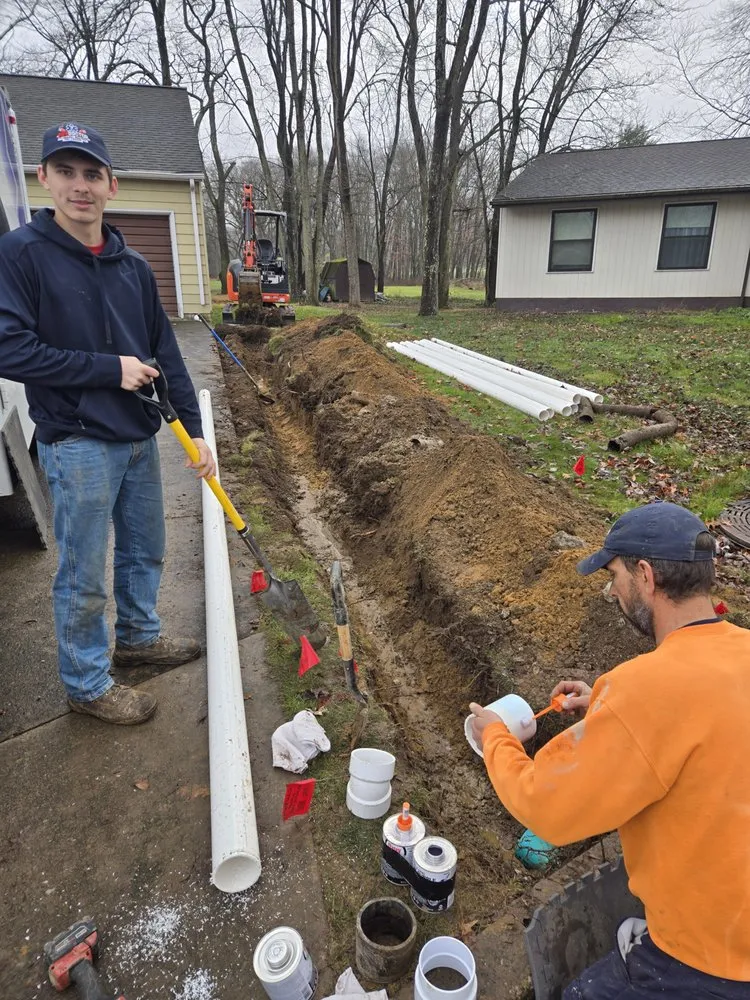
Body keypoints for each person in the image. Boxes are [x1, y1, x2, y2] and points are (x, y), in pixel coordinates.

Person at [470, 502, 750, 998]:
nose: (613, 590)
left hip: (712, 958)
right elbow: (695, 711)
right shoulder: (739, 650)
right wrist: (604, 702)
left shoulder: (645, 692)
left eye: (615, 575)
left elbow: (544, 805)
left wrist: (494, 734)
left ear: (645, 576)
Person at [0, 121, 216, 725]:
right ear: (44, 178)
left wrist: (196, 432)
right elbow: (9, 349)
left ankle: (140, 639)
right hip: (77, 442)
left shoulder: (133, 266)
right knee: (84, 572)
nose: (80, 186)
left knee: (146, 550)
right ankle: (87, 682)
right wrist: (107, 369)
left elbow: (165, 354)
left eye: (92, 174)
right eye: (66, 172)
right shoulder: (21, 255)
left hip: (140, 436)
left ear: (110, 185)